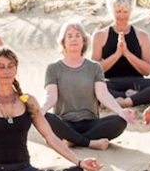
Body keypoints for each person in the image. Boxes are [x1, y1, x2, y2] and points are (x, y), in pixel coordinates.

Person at [40, 20, 136, 150]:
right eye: (69, 36)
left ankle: (72, 140)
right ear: (63, 42)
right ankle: (90, 142)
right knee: (46, 118)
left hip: (91, 123)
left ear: (84, 40)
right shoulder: (53, 68)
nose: (74, 39)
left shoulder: (94, 67)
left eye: (78, 35)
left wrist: (120, 111)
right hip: (65, 123)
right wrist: (41, 109)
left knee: (119, 121)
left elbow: (103, 94)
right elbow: (50, 96)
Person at [90, 0, 150, 107]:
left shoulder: (142, 36)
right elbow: (94, 71)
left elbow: (147, 70)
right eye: (118, 11)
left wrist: (127, 53)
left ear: (131, 11)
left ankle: (125, 100)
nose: (121, 16)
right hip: (110, 83)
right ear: (111, 11)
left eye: (125, 12)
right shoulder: (100, 35)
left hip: (136, 82)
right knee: (89, 85)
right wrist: (117, 55)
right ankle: (133, 96)